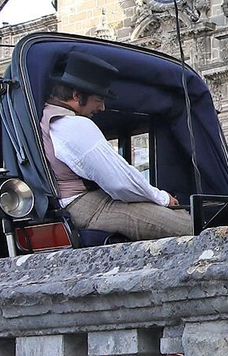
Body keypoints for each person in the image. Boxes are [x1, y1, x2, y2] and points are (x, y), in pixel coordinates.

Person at [39, 51, 191, 241]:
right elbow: (119, 182)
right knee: (189, 226)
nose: (101, 107)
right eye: (99, 99)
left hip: (74, 205)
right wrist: (162, 198)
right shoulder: (73, 125)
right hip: (88, 207)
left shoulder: (47, 118)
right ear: (77, 95)